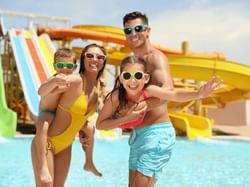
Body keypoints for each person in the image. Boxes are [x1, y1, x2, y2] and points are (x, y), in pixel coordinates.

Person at [96, 56, 221, 187]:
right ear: (121, 78)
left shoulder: (149, 91)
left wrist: (198, 94)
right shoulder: (116, 97)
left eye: (138, 75)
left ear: (146, 78)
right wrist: (127, 118)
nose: (132, 80)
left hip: (158, 136)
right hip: (138, 138)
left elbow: (174, 95)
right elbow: (100, 124)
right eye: (127, 75)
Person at [31, 44, 106, 186]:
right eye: (89, 55)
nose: (64, 69)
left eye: (100, 56)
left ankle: (89, 162)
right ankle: (43, 167)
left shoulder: (97, 87)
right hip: (47, 141)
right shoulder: (71, 80)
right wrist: (54, 81)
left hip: (65, 145)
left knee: (90, 128)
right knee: (46, 184)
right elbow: (41, 92)